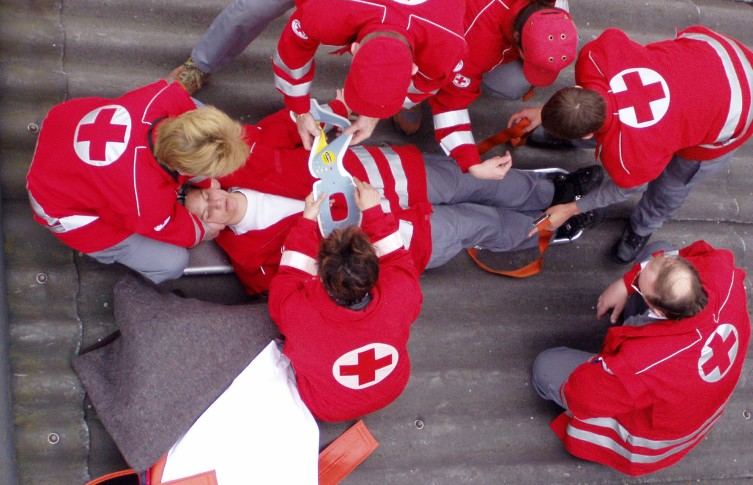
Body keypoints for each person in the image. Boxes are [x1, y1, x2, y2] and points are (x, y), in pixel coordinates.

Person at [183, 106, 604, 294]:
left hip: (396, 176)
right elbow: (306, 287)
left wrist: (322, 118)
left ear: (210, 186)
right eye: (205, 218)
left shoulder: (241, 160)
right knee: (481, 224)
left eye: (205, 200)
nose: (213, 208)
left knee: (474, 181)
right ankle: (551, 226)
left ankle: (552, 190)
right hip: (399, 239)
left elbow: (293, 122)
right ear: (208, 233)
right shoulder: (250, 263)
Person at [173, 0, 465, 149]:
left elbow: (429, 82)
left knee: (390, 95)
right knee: (253, 8)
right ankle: (200, 64)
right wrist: (300, 111)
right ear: (354, 49)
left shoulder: (448, 42)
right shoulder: (327, 13)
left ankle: (387, 98)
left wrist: (375, 111)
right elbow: (291, 56)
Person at [508, 25, 753, 262]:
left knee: (673, 183)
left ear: (585, 135)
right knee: (626, 130)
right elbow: (586, 101)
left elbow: (623, 188)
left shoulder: (631, 157)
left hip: (738, 109)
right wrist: (546, 113)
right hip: (714, 52)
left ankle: (644, 226)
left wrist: (572, 208)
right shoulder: (596, 58)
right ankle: (568, 128)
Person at [531, 240, 750, 476]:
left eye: (639, 288)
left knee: (546, 366)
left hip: (652, 437)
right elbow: (678, 256)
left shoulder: (641, 363)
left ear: (657, 311)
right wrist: (625, 284)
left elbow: (582, 395)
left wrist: (604, 367)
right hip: (692, 401)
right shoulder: (720, 271)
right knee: (659, 247)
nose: (639, 274)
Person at [392, 0, 579, 181]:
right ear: (517, 43)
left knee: (513, 80)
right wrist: (471, 163)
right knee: (427, 65)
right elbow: (450, 104)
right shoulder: (470, 45)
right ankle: (404, 95)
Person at [26, 79, 249, 283]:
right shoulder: (145, 199)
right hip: (52, 199)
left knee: (196, 107)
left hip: (61, 124)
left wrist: (206, 182)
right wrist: (201, 230)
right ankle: (109, 256)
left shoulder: (163, 95)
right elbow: (172, 227)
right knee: (172, 263)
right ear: (181, 167)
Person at [266, 183, 422, 422]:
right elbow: (397, 257)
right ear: (375, 269)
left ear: (320, 272)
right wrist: (374, 211)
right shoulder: (402, 291)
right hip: (391, 388)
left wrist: (307, 221)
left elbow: (287, 276)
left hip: (328, 407)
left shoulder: (297, 313)